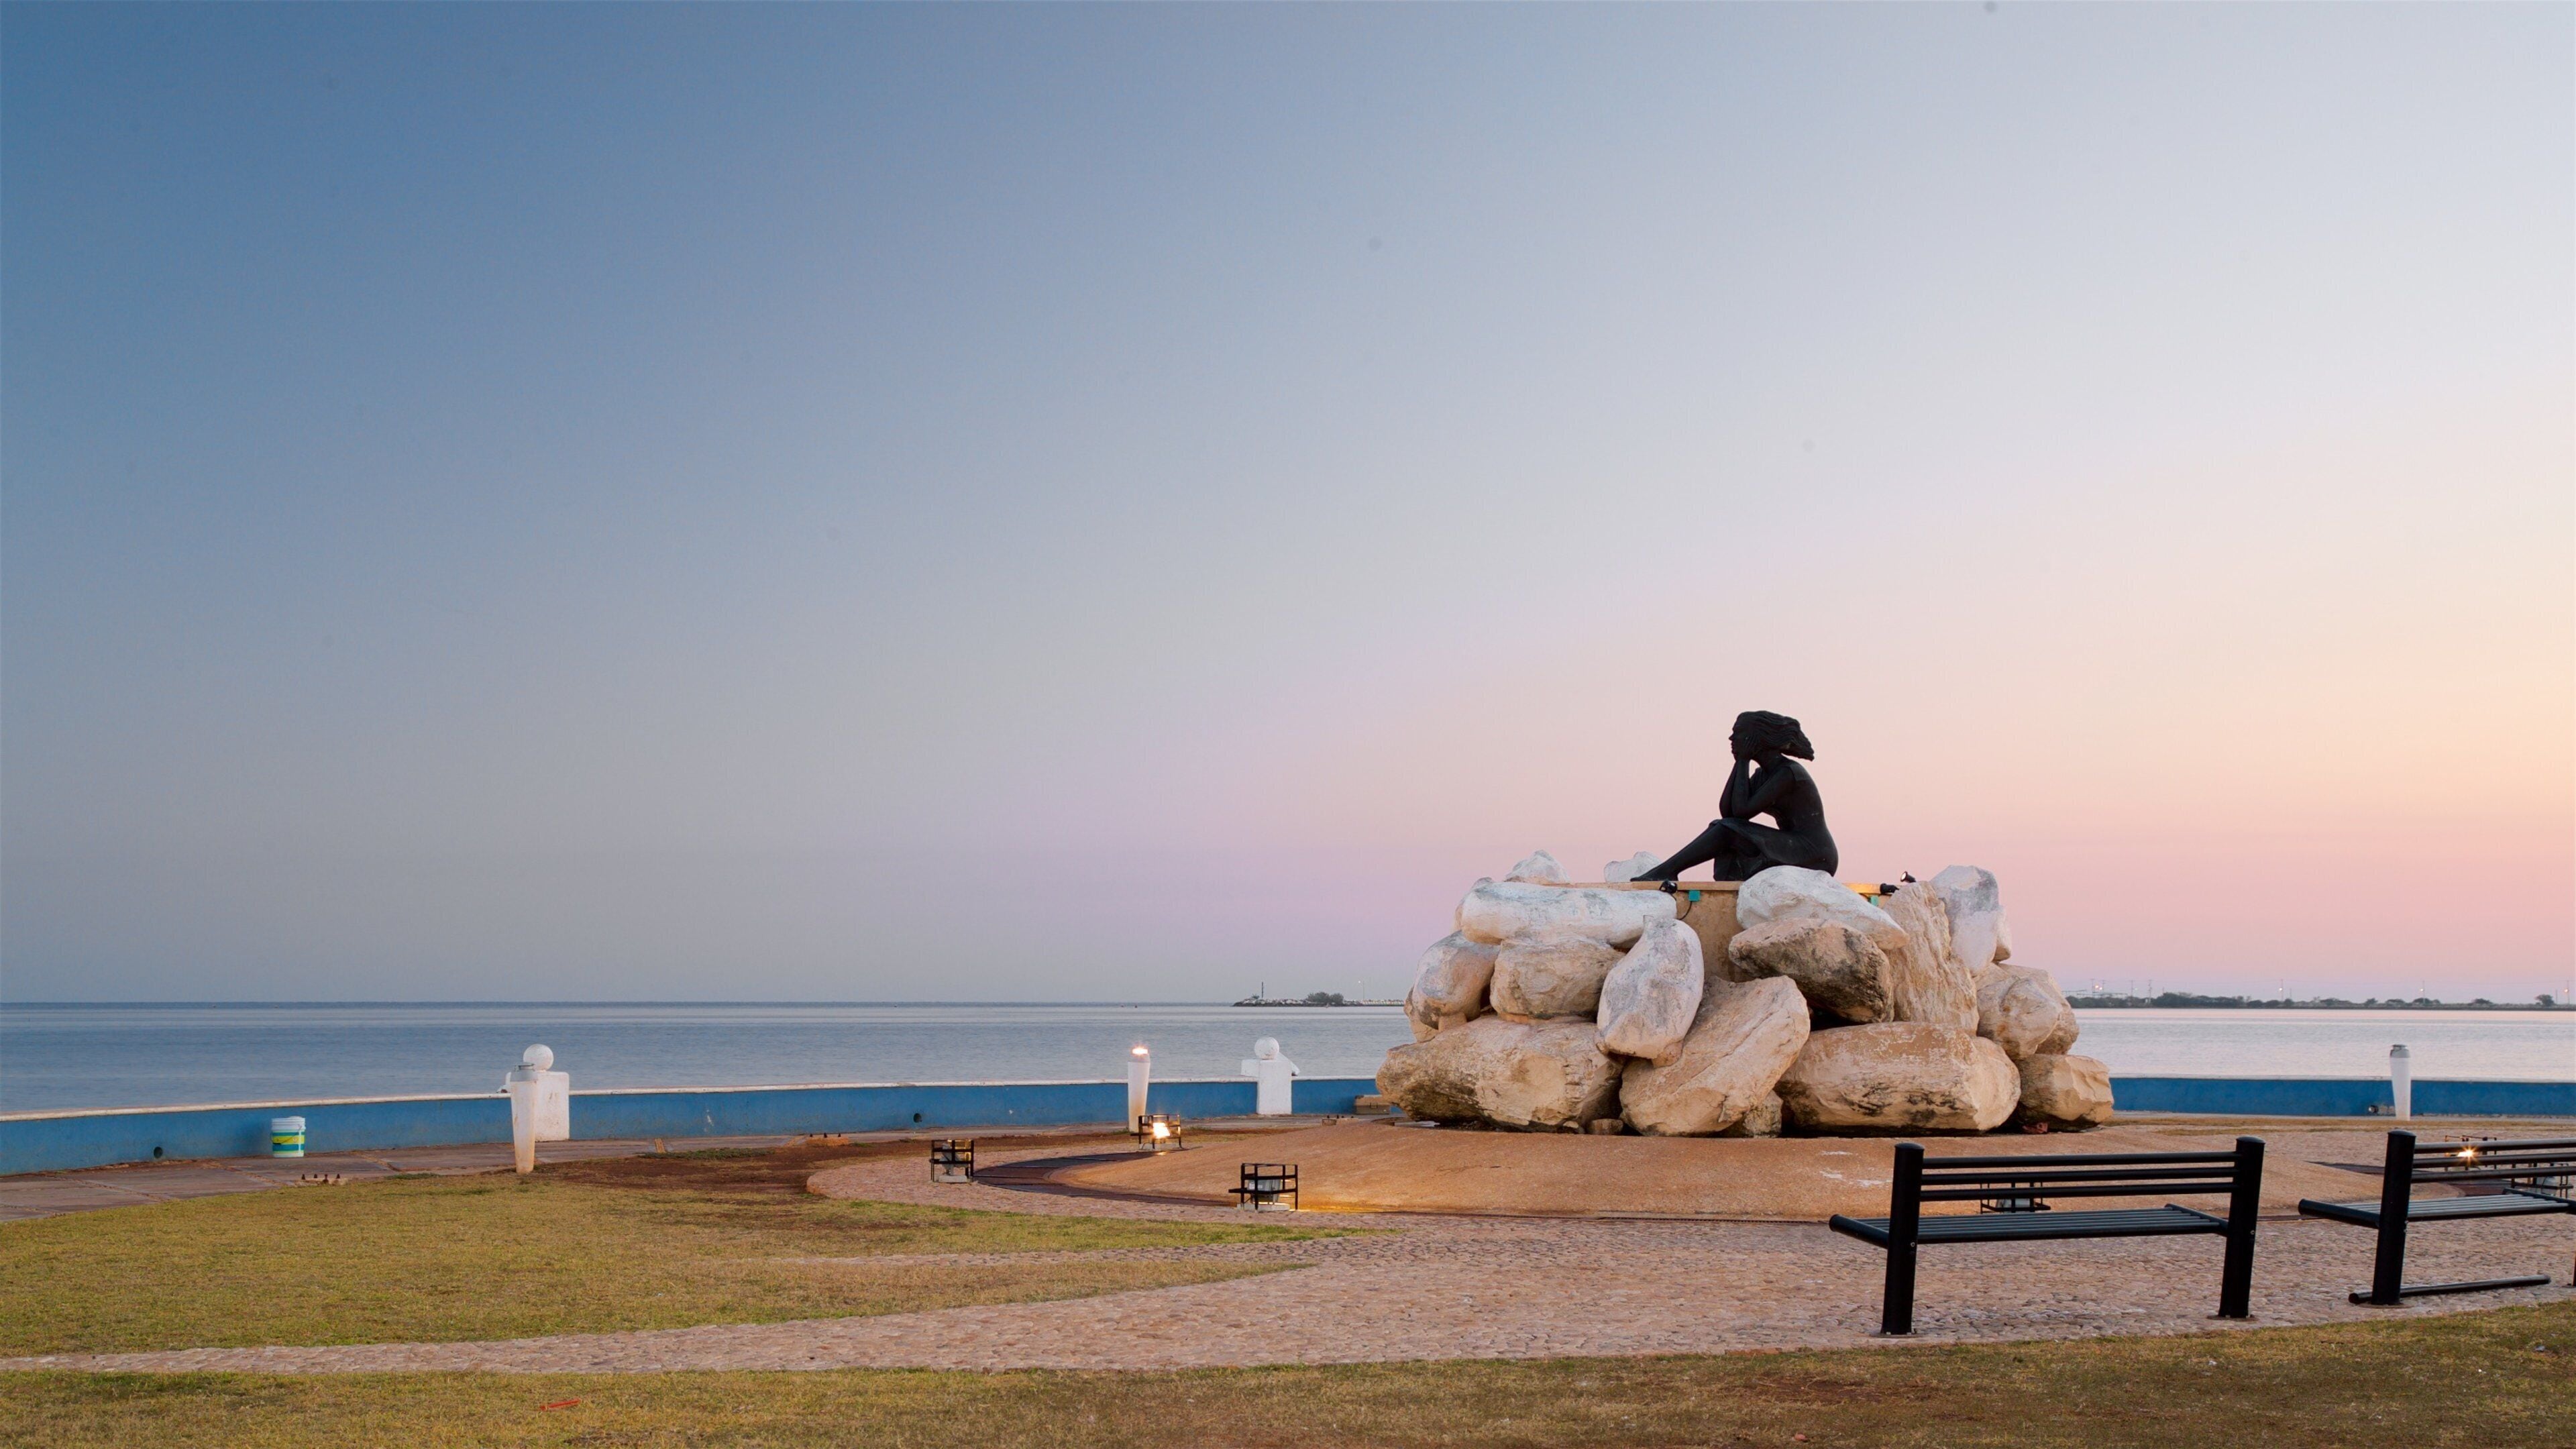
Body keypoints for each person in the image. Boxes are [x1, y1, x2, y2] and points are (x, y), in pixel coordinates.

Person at [1643, 710, 1839, 881]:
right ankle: (1669, 870)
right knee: (1721, 827)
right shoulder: (1764, 774)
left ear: (1758, 738)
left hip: (1814, 853)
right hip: (1795, 845)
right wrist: (1739, 764)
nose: (1731, 738)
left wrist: (1744, 760)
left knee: (1727, 831)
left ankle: (1668, 870)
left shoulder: (1788, 773)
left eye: (1738, 733)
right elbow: (1729, 812)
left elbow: (1742, 812)